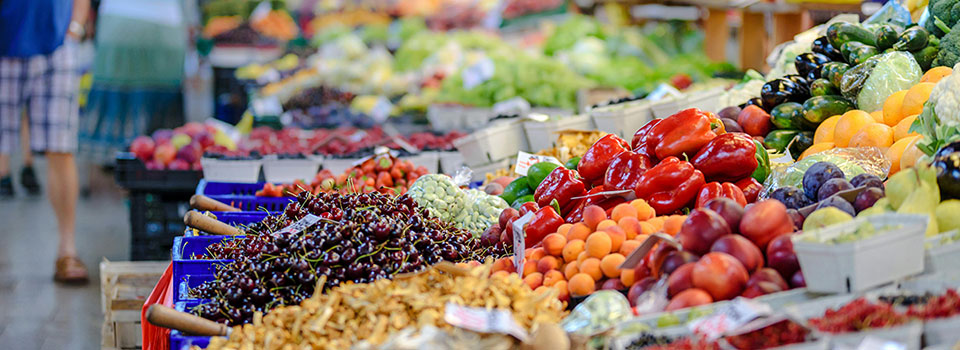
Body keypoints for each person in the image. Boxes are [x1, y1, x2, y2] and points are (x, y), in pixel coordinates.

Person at [0, 0, 90, 283]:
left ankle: (67, 250)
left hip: (57, 47)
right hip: (4, 47)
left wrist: (74, 29)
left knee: (61, 148)